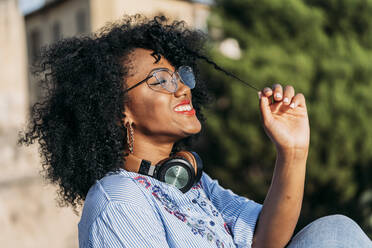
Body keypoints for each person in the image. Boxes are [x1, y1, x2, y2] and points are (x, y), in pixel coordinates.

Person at [18, 15, 371, 248]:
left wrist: (293, 153)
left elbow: (266, 240)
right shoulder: (118, 201)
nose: (182, 88)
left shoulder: (191, 184)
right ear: (118, 110)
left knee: (334, 232)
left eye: (180, 76)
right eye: (160, 80)